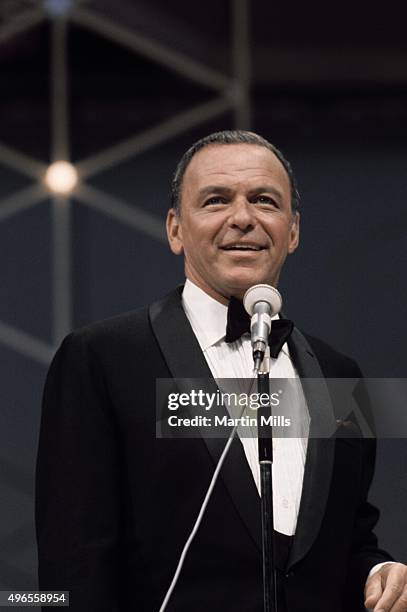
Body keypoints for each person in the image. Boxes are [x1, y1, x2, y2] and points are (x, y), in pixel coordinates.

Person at [36, 130, 407, 611]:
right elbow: (72, 562)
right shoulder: (101, 358)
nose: (243, 218)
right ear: (175, 229)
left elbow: (350, 539)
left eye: (265, 201)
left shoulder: (341, 375)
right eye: (215, 200)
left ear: (292, 231)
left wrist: (380, 572)